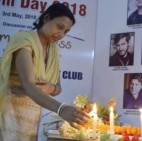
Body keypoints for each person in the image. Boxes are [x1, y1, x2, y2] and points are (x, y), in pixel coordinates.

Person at [0, 3, 90, 140]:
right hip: (9, 111)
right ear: (47, 18)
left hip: (32, 116)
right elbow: (29, 86)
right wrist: (62, 109)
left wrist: (50, 88)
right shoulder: (24, 40)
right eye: (60, 27)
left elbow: (58, 88)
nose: (61, 34)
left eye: (66, 31)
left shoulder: (53, 50)